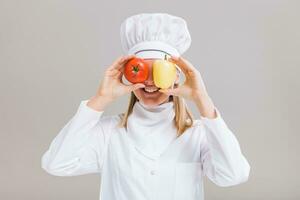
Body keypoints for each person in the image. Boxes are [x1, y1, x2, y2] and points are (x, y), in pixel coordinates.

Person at [41, 13, 250, 200]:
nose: (149, 82)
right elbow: (56, 164)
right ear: (129, 77)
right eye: (140, 71)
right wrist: (101, 98)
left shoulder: (198, 134)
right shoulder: (109, 133)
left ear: (176, 77)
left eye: (159, 72)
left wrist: (203, 100)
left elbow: (233, 175)